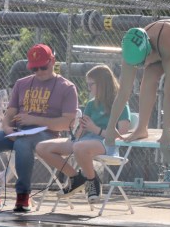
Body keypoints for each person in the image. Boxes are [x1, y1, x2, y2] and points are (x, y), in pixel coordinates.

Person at [0, 44, 77, 213]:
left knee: (23, 143)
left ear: (53, 61)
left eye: (43, 66)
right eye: (35, 68)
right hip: (19, 131)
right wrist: (7, 128)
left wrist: (34, 119)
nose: (39, 72)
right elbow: (10, 112)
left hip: (47, 136)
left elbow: (66, 123)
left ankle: (23, 195)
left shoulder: (67, 87)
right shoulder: (21, 84)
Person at [104, 19, 170, 147]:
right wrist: (110, 127)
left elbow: (169, 93)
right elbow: (123, 92)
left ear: (149, 51)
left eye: (142, 62)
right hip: (161, 46)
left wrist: (166, 132)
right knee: (148, 77)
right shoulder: (130, 50)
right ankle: (141, 128)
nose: (141, 66)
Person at [35, 65, 132, 204]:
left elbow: (122, 134)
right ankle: (76, 178)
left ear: (102, 83)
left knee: (79, 147)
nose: (88, 88)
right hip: (84, 142)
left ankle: (92, 181)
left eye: (91, 84)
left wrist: (95, 129)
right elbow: (83, 131)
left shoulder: (120, 103)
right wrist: (80, 130)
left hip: (107, 144)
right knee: (42, 147)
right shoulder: (92, 104)